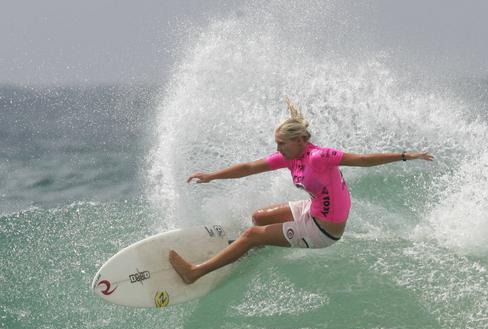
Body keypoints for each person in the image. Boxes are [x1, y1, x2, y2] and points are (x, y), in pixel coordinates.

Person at [169, 97, 433, 284]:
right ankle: (244, 250)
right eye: (277, 144)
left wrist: (405, 155)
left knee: (251, 234)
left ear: (298, 141)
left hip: (323, 230)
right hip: (314, 210)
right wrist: (212, 176)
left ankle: (195, 272)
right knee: (259, 218)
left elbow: (362, 161)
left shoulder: (319, 156)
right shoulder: (290, 156)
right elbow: (250, 167)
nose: (278, 149)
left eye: (281, 143)